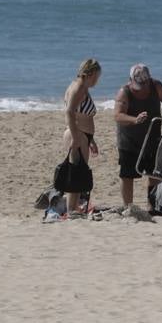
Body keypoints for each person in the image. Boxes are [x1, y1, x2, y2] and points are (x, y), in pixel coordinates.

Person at [114, 64, 162, 208]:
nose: (142, 87)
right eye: (138, 85)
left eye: (144, 84)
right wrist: (134, 120)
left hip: (152, 136)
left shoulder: (156, 86)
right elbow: (118, 115)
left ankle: (152, 206)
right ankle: (128, 207)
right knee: (127, 175)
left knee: (154, 173)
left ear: (149, 79)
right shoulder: (124, 92)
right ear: (131, 80)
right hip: (128, 140)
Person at [61, 58, 102, 217]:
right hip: (76, 134)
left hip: (83, 135)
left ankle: (75, 207)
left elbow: (81, 114)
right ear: (89, 74)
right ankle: (71, 209)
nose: (97, 81)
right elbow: (69, 112)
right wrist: (76, 136)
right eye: (96, 77)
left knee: (80, 171)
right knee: (76, 171)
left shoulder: (83, 88)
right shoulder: (78, 88)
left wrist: (91, 140)